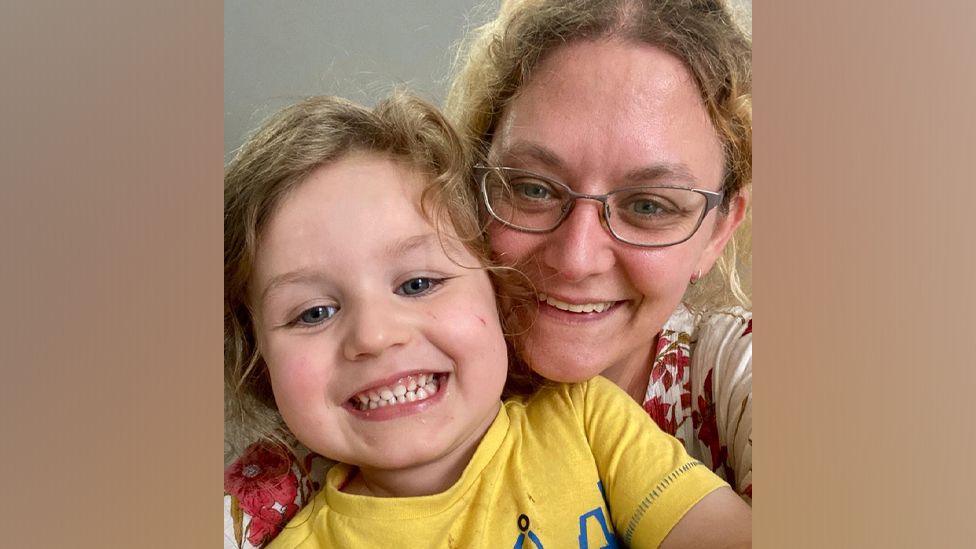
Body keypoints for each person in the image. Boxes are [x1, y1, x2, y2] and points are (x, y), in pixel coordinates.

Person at [224, 93, 750, 548]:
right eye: (313, 313)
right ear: (258, 358)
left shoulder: (586, 422)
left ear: (497, 287)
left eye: (418, 284)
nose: (374, 336)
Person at [445, 0, 753, 503]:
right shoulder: (379, 373)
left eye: (649, 206)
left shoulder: (745, 373)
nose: (576, 258)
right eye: (534, 189)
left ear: (717, 232)